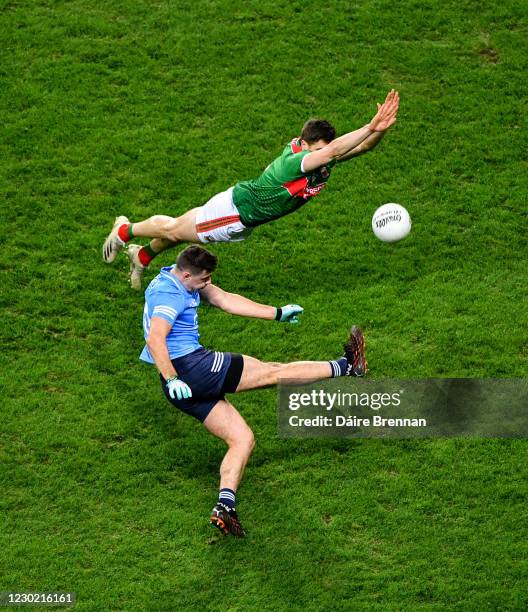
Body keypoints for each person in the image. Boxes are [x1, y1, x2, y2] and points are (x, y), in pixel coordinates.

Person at [141, 245, 367, 537]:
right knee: (275, 371)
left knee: (242, 439)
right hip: (191, 369)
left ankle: (225, 506)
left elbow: (223, 299)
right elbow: (155, 339)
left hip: (182, 386)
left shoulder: (172, 279)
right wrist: (173, 377)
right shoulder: (170, 296)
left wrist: (277, 313)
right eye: (203, 280)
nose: (207, 284)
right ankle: (349, 366)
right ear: (186, 274)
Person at [103, 90, 400, 289]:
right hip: (235, 213)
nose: (324, 154)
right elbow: (335, 150)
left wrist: (380, 130)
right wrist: (370, 123)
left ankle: (140, 257)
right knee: (173, 230)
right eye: (318, 150)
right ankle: (124, 231)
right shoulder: (296, 163)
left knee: (178, 228)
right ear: (305, 144)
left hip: (242, 213)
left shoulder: (319, 161)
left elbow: (361, 148)